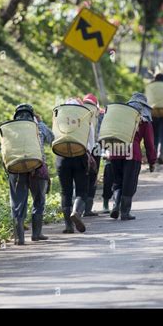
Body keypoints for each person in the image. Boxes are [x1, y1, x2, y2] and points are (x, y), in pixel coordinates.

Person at [7, 104, 54, 245]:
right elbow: (52, 138)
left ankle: (19, 238)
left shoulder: (10, 128)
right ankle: (36, 234)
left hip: (16, 168)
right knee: (39, 200)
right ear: (32, 115)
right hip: (37, 167)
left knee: (17, 203)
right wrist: (40, 122)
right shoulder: (38, 126)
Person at [110, 93, 156, 220]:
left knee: (118, 182)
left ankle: (115, 205)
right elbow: (149, 143)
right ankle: (124, 212)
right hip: (132, 153)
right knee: (129, 183)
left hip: (115, 150)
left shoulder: (119, 115)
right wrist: (152, 161)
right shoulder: (144, 119)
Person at [56, 98, 90, 233]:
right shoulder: (84, 121)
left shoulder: (59, 121)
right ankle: (76, 211)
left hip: (62, 158)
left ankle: (68, 226)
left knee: (66, 192)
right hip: (79, 157)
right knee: (81, 191)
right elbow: (90, 142)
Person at [82, 93, 102, 217]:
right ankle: (88, 209)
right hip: (96, 149)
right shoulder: (99, 114)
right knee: (93, 177)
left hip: (80, 147)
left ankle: (78, 206)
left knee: (80, 176)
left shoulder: (79, 110)